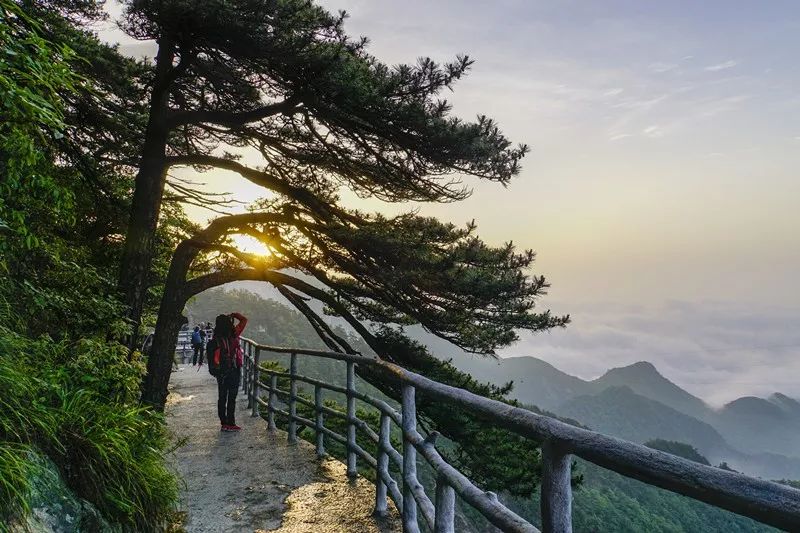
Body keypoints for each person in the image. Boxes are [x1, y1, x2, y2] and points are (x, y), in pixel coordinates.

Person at [209, 312, 248, 432]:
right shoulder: (234, 334)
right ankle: (231, 423)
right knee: (232, 397)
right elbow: (244, 320)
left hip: (220, 372)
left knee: (222, 397)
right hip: (233, 370)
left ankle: (224, 423)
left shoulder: (215, 339)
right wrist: (234, 314)